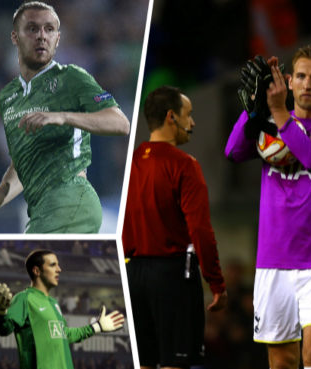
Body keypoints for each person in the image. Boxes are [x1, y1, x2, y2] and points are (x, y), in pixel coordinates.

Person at [225, 45, 311, 369]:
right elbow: (233, 151)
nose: (307, 83)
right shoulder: (269, 122)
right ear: (289, 80)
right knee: (282, 361)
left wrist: (280, 112)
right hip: (273, 260)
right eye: (300, 76)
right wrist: (255, 112)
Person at [0, 1, 130, 233]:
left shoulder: (72, 78)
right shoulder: (9, 97)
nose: (42, 36)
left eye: (49, 29)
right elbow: (24, 164)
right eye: (32, 28)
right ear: (15, 37)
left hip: (73, 202)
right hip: (40, 211)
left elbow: (121, 123)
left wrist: (63, 116)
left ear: (57, 38)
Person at [122, 86, 227, 369]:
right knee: (174, 364)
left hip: (132, 275)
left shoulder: (129, 164)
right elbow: (201, 231)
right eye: (188, 115)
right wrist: (215, 282)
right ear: (172, 117)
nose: (192, 123)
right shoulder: (185, 165)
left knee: (143, 363)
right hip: (173, 274)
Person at [0, 250, 124, 369]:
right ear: (37, 271)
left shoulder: (53, 302)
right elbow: (4, 329)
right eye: (53, 265)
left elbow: (66, 335)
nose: (59, 269)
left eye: (58, 265)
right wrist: (0, 311)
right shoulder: (24, 298)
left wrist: (97, 326)